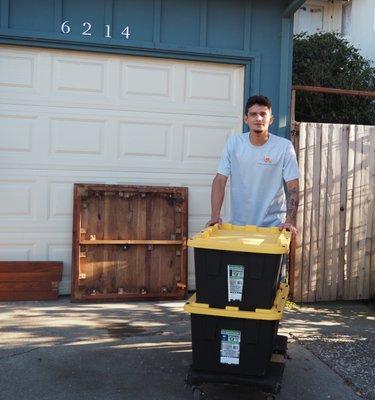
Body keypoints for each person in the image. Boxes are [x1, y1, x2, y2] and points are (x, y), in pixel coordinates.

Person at [206, 95, 299, 236]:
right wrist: (214, 217)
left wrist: (290, 220)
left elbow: (293, 186)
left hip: (273, 227)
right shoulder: (234, 143)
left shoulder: (284, 147)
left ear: (271, 119)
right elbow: (220, 180)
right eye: (253, 114)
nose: (258, 118)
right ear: (246, 119)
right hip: (239, 227)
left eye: (263, 114)